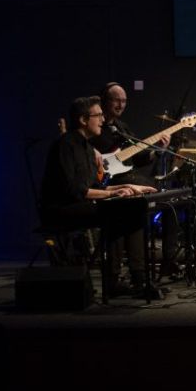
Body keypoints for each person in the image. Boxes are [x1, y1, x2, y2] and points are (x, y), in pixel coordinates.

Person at [39, 95, 157, 295]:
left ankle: (135, 278)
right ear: (84, 120)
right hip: (61, 209)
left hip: (79, 202)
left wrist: (130, 186)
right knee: (120, 211)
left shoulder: (87, 147)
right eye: (98, 115)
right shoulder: (65, 145)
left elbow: (93, 186)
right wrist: (115, 192)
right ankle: (117, 280)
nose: (103, 120)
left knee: (133, 206)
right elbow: (75, 191)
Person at [94, 82, 178, 271]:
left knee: (171, 203)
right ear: (105, 101)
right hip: (111, 184)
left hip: (131, 178)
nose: (121, 105)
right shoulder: (95, 129)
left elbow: (140, 159)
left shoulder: (122, 127)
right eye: (117, 100)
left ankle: (168, 260)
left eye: (124, 101)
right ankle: (135, 271)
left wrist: (159, 149)